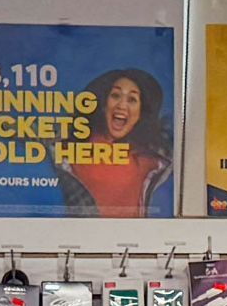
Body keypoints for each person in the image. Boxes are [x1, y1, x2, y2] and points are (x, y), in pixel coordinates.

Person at [60, 64, 175, 217]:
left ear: (141, 112)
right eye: (115, 95)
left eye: (132, 99)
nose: (122, 105)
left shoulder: (155, 157)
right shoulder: (71, 145)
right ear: (104, 103)